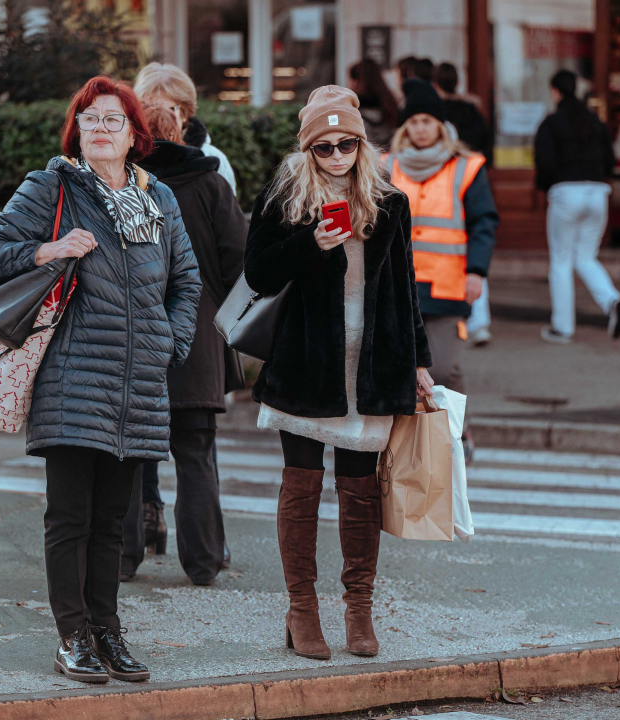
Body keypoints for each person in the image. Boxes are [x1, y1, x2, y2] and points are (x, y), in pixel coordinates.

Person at [0, 76, 202, 684]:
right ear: (79, 131)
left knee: (112, 520)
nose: (101, 128)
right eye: (90, 119)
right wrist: (49, 250)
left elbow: (188, 285)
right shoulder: (54, 186)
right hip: (73, 377)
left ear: (133, 135)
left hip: (139, 384)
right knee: (69, 517)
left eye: (113, 120)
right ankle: (72, 636)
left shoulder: (160, 200)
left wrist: (169, 346)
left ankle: (108, 633)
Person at [245, 86, 433, 661]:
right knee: (301, 488)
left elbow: (405, 288)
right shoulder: (283, 196)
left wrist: (420, 363)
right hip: (306, 365)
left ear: (361, 143)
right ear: (307, 150)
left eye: (345, 144)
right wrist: (310, 242)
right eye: (322, 147)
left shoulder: (389, 202)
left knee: (359, 493)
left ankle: (359, 610)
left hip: (371, 367)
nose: (335, 156)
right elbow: (256, 274)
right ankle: (302, 609)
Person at [120, 100, 248, 585]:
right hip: (196, 340)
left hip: (132, 339)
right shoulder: (212, 186)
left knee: (128, 456)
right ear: (181, 133)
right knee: (195, 454)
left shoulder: (122, 187)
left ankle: (123, 557)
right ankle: (204, 561)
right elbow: (240, 261)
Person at [384, 79, 498, 458]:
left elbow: (483, 222)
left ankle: (458, 432)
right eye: (413, 121)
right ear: (404, 127)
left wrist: (477, 271)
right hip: (396, 287)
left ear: (440, 126)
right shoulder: (385, 166)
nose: (420, 128)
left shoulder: (466, 168)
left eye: (427, 121)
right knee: (398, 370)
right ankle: (408, 442)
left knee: (444, 368)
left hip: (447, 286)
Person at [534, 69, 620, 344]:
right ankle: (614, 302)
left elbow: (545, 164)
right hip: (597, 192)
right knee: (585, 256)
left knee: (561, 261)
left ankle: (563, 327)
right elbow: (610, 160)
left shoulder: (551, 123)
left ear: (555, 91)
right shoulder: (595, 122)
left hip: (566, 192)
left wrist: (547, 187)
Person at [434, 61, 493, 346]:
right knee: (475, 260)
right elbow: (487, 146)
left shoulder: (436, 114)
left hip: (443, 192)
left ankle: (459, 320)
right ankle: (479, 323)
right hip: (472, 185)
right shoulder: (472, 111)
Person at [134, 62, 237, 196]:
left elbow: (226, 212)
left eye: (168, 109)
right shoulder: (125, 156)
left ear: (184, 113)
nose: (157, 115)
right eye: (147, 108)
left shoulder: (211, 157)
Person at [349, 58, 399, 149]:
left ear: (356, 81)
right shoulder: (390, 104)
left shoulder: (351, 107)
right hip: (388, 159)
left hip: (363, 158)